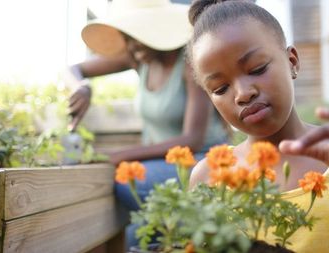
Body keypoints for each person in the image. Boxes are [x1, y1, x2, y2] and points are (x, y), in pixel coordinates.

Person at [187, 1, 329, 252]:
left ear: (292, 61)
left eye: (257, 69)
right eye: (220, 88)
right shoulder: (208, 176)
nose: (242, 93)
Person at [67, 0, 229, 248]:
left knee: (129, 184)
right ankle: (185, 232)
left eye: (138, 35)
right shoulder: (138, 57)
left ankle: (204, 230)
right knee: (137, 232)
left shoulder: (188, 62)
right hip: (161, 164)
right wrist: (82, 87)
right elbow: (73, 70)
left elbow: (192, 138)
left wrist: (118, 155)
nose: (132, 45)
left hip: (202, 159)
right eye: (127, 37)